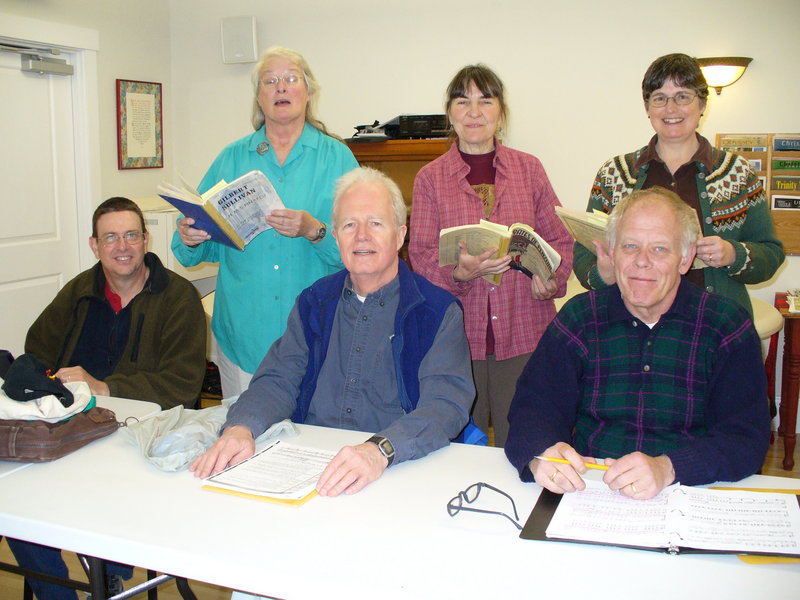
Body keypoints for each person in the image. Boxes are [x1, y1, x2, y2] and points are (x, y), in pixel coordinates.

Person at [191, 167, 475, 500]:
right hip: (307, 467)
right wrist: (242, 427)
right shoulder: (314, 302)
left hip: (395, 467)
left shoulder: (437, 312)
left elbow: (446, 405)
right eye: (350, 225)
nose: (362, 236)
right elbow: (277, 378)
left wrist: (379, 450)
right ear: (337, 237)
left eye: (376, 223)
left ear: (400, 235)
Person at [505, 188, 771, 500]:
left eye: (660, 249)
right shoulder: (579, 318)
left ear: (685, 259)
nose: (642, 262)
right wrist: (541, 453)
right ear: (612, 252)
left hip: (690, 491)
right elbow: (534, 407)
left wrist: (669, 467)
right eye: (630, 246)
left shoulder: (725, 325)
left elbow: (746, 439)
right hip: (591, 488)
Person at [9, 196, 207, 600]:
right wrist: (59, 386)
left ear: (147, 240)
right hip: (76, 431)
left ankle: (108, 568)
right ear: (94, 245)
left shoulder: (178, 297)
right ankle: (61, 591)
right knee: (13, 503)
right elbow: (36, 351)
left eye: (131, 235)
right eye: (111, 237)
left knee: (107, 499)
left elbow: (183, 384)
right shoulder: (78, 293)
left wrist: (106, 386)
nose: (122, 246)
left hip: (146, 437)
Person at [172, 45, 358, 397]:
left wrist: (313, 230)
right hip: (244, 334)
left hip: (316, 333)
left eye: (291, 79)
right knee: (243, 442)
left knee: (311, 444)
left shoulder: (338, 159)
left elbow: (359, 250)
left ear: (309, 92)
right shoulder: (231, 158)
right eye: (270, 81)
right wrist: (191, 235)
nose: (281, 87)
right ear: (259, 97)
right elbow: (189, 254)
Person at [409, 64, 573, 447]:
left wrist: (549, 281)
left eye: (486, 100)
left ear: (501, 111)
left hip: (525, 330)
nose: (474, 111)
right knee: (460, 443)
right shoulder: (430, 178)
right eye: (462, 101)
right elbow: (420, 256)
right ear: (450, 112)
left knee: (526, 440)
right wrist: (460, 276)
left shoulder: (528, 169)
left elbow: (561, 241)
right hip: (457, 336)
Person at [573, 52, 783, 315]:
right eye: (659, 98)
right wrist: (603, 274)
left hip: (714, 327)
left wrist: (732, 254)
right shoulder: (614, 174)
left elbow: (771, 255)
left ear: (703, 104)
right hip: (628, 327)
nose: (671, 109)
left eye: (683, 96)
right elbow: (583, 254)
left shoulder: (738, 173)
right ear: (647, 108)